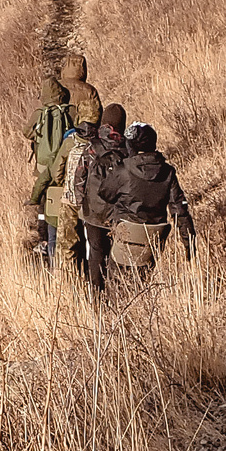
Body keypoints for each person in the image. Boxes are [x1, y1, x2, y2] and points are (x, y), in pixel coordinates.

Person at [97, 123, 197, 282]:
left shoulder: (123, 170)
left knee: (116, 286)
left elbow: (105, 193)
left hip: (125, 238)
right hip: (153, 242)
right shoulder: (168, 172)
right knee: (143, 285)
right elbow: (180, 211)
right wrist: (189, 245)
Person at [54, 78, 106, 279]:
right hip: (93, 204)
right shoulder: (102, 144)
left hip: (69, 201)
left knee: (67, 245)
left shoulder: (70, 141)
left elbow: (57, 171)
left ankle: (70, 282)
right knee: (93, 247)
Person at [74, 103, 128, 291]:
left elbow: (80, 176)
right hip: (117, 213)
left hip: (93, 211)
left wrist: (81, 202)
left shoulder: (92, 147)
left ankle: (96, 295)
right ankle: (116, 293)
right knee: (116, 253)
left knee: (96, 252)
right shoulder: (127, 148)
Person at [25, 73, 73, 267]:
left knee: (44, 204)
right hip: (64, 163)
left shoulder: (40, 113)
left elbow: (26, 131)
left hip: (43, 166)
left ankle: (44, 237)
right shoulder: (70, 111)